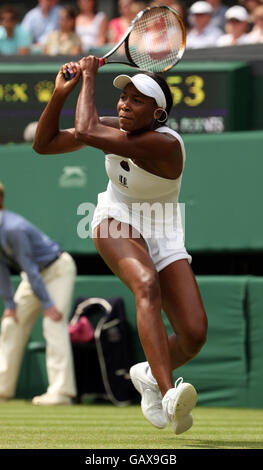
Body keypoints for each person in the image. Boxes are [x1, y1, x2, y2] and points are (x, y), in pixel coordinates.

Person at [32, 56, 207, 435]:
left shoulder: (165, 146)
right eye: (123, 97)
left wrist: (89, 78)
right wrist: (59, 95)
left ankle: (146, 372)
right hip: (115, 218)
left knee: (193, 334)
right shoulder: (110, 127)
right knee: (145, 284)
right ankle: (166, 393)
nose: (125, 104)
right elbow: (43, 145)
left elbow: (85, 129)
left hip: (162, 230)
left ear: (158, 114)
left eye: (137, 100)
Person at [0, 182, 77, 405]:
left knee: (53, 323)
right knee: (10, 324)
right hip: (33, 277)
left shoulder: (14, 228)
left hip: (57, 270)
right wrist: (10, 306)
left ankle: (61, 392)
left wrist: (48, 304)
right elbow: (2, 267)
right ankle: (2, 389)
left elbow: (30, 267)